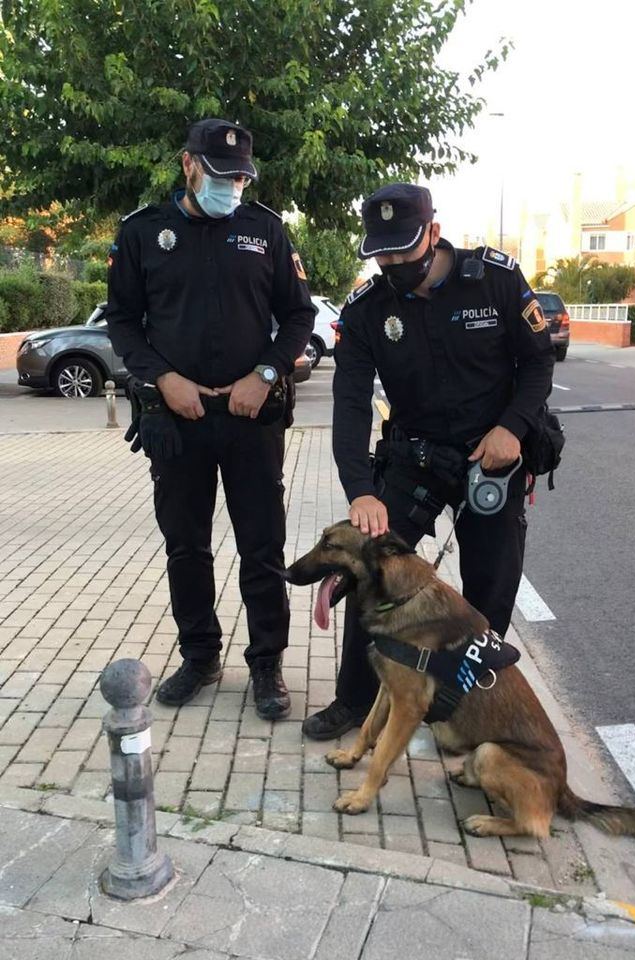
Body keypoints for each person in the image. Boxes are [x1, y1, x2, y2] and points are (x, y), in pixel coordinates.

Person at [302, 182, 555, 739]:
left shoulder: (495, 278)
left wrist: (511, 428)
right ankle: (353, 700)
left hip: (492, 458)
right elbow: (348, 402)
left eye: (404, 249)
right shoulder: (369, 309)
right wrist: (360, 489)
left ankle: (460, 707)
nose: (392, 263)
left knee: (489, 590)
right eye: (382, 253)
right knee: (368, 567)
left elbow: (537, 365)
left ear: (433, 233)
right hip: (413, 458)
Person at [107, 118, 315, 719]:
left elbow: (298, 316)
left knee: (262, 545)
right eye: (222, 178)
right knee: (186, 546)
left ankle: (267, 663)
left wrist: (267, 374)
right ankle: (200, 656)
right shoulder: (144, 233)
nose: (233, 189)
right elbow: (122, 321)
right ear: (189, 165)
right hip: (178, 418)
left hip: (252, 417)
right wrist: (160, 379)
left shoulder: (265, 230)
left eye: (242, 179)